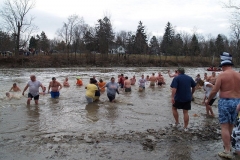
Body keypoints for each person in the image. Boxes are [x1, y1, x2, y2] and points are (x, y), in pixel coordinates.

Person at [207, 52, 240, 159]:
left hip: (225, 102)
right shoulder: (239, 75)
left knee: (224, 126)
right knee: (232, 125)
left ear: (224, 66)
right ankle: (232, 147)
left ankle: (227, 150)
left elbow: (215, 90)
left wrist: (208, 100)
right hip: (237, 102)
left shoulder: (222, 75)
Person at [170, 68, 196, 132]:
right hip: (187, 97)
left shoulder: (176, 78)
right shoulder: (189, 78)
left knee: (174, 108)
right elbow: (194, 86)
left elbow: (174, 88)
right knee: (185, 112)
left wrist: (172, 97)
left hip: (178, 97)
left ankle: (177, 122)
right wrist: (192, 93)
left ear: (178, 72)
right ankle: (185, 127)